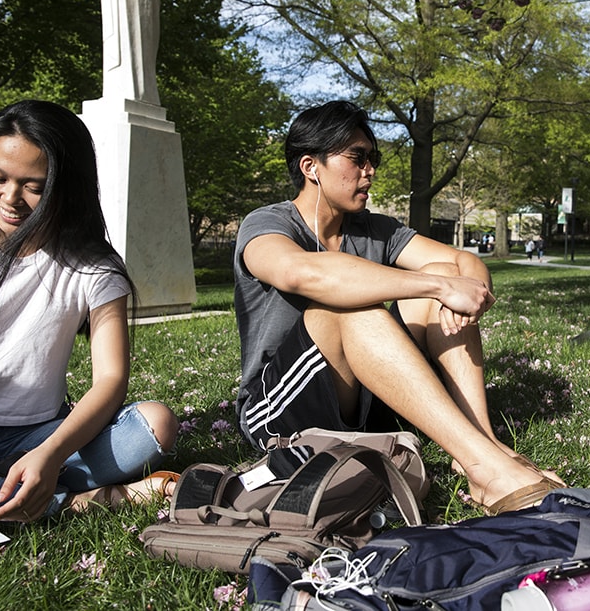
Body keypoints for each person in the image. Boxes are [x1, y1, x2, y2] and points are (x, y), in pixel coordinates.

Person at [233, 101, 563, 515]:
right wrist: (441, 285)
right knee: (352, 306)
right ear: (310, 166)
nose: (370, 170)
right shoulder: (268, 224)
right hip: (279, 411)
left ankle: (481, 444)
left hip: (361, 400)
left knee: (441, 271)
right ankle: (486, 467)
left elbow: (464, 264)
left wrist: (457, 288)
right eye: (357, 158)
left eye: (374, 158)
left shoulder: (376, 228)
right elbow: (301, 274)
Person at [0, 100, 179, 533]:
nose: (10, 199)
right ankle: (79, 502)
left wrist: (48, 454)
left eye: (33, 186)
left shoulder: (92, 267)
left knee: (156, 424)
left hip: (43, 434)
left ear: (66, 187)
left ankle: (7, 488)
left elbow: (110, 380)